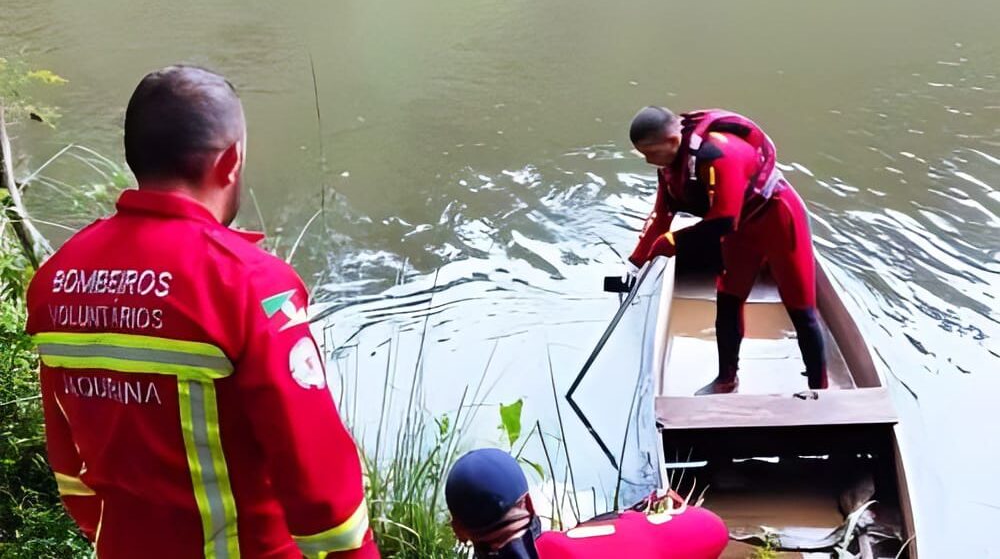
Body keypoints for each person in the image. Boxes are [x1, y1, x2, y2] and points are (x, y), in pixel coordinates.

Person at [26, 66, 378, 558]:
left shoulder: (57, 282)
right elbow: (322, 492)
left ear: (135, 156)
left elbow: (71, 471)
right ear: (230, 160)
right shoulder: (251, 286)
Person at [626, 106, 827, 394]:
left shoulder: (720, 154)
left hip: (777, 220)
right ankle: (726, 379)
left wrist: (672, 243)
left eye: (651, 153)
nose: (648, 161)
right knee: (729, 298)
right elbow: (661, 216)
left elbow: (722, 220)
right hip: (740, 231)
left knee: (801, 307)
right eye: (643, 155)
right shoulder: (670, 165)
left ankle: (820, 388)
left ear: (671, 141)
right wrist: (636, 263)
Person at [445, 448, 729, 558]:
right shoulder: (563, 548)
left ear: (458, 529)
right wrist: (634, 522)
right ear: (529, 504)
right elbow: (712, 529)